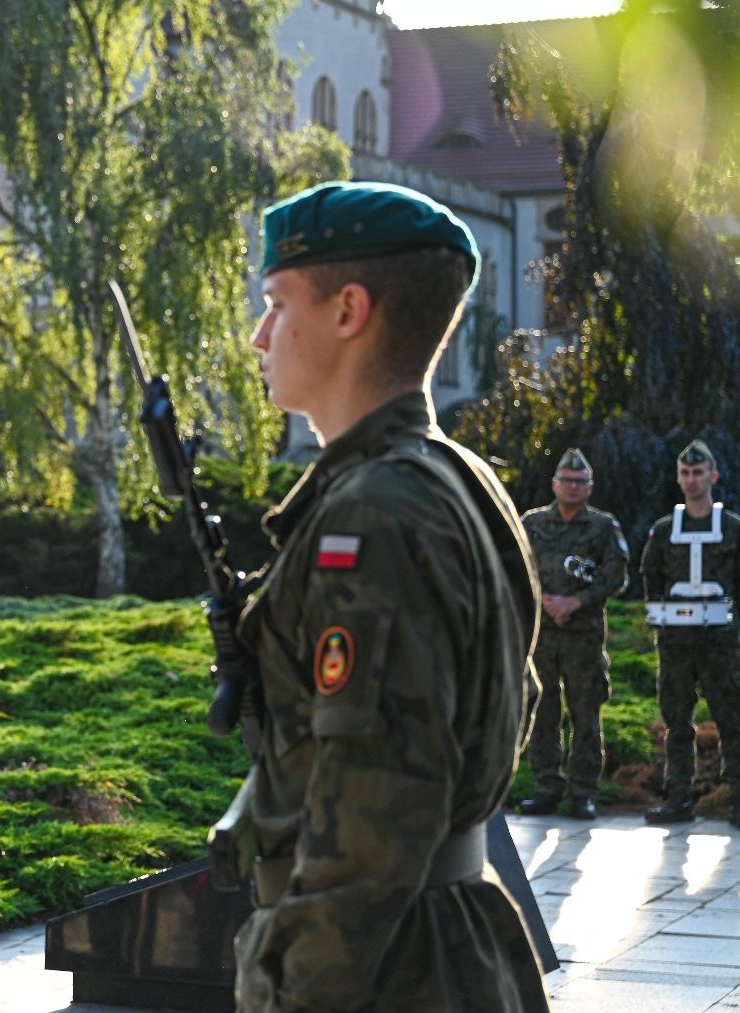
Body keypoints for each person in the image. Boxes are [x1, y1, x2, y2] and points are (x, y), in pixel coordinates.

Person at [218, 181, 548, 1011]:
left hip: (387, 970)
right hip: (445, 940)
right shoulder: (460, 480)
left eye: (276, 302)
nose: (260, 335)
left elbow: (371, 816)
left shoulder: (375, 513)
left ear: (347, 311)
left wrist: (289, 988)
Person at [516, 448, 629, 820]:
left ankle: (584, 793)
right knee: (543, 713)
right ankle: (547, 787)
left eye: (580, 482)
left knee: (585, 715)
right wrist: (544, 600)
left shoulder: (602, 526)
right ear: (555, 483)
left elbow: (616, 577)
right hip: (541, 635)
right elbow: (515, 565)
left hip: (583, 635)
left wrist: (575, 601)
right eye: (567, 480)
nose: (573, 487)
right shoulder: (532, 523)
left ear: (590, 487)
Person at [639, 439, 740, 827]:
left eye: (698, 472)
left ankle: (734, 797)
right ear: (679, 478)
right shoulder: (665, 530)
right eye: (685, 472)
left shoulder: (730, 527)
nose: (691, 479)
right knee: (677, 721)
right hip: (677, 643)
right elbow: (651, 576)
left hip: (722, 642)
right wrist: (661, 618)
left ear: (713, 476)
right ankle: (678, 797)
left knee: (732, 718)